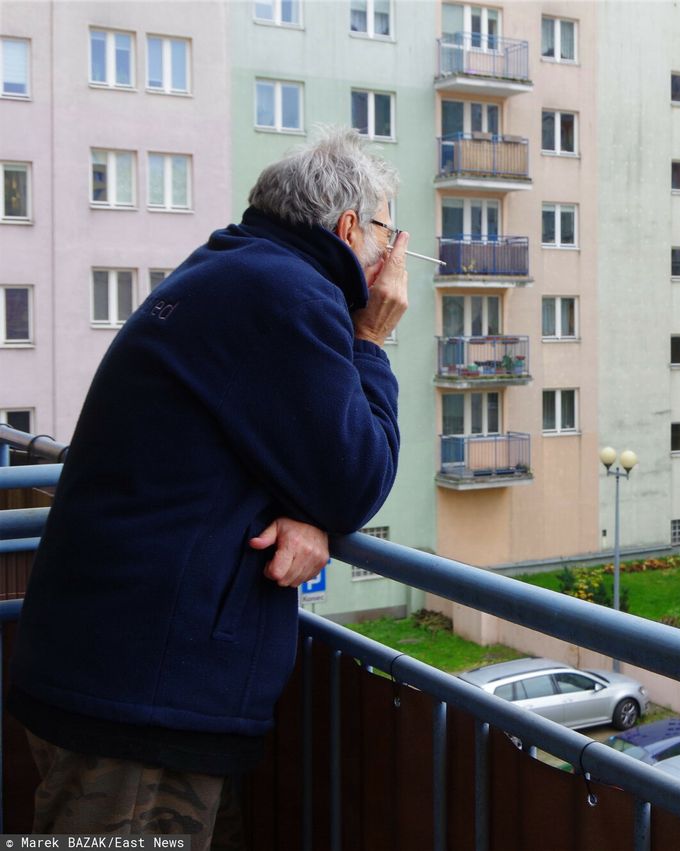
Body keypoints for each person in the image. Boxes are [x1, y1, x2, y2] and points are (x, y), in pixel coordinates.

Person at [7, 127, 409, 848]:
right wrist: (371, 341)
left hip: (126, 676)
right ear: (350, 227)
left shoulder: (235, 271)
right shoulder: (284, 294)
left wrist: (305, 512)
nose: (391, 254)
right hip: (140, 703)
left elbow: (261, 446)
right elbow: (356, 477)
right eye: (388, 230)